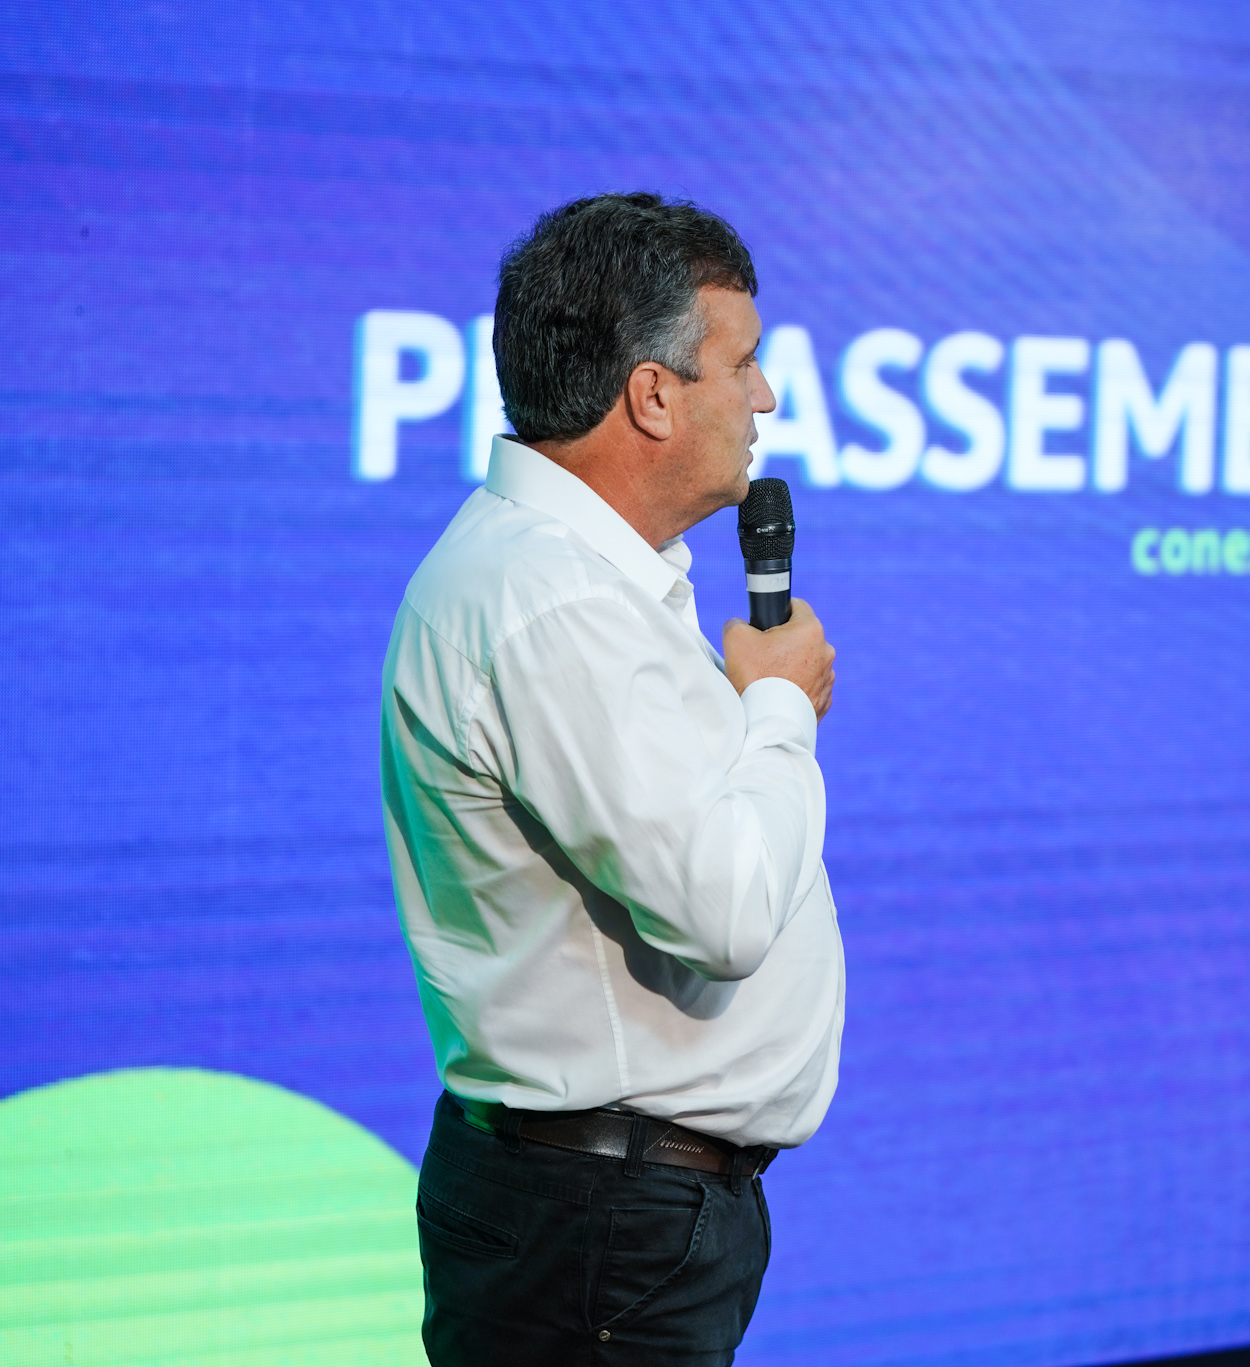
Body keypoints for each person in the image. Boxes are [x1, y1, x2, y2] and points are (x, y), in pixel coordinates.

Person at [379, 192, 844, 1366]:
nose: (764, 398)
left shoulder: (571, 578)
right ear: (651, 394)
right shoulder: (553, 601)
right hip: (601, 1225)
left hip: (614, 1217)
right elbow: (723, 910)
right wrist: (780, 705)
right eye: (742, 363)